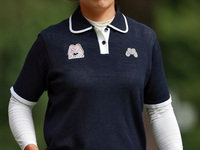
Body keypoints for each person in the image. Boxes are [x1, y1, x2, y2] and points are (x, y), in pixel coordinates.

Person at [8, 0, 183, 150]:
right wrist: (30, 146)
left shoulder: (145, 39)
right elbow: (19, 103)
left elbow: (160, 111)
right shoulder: (51, 40)